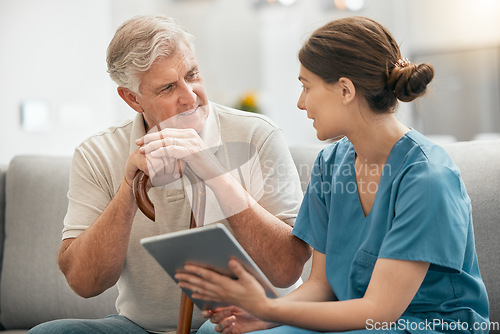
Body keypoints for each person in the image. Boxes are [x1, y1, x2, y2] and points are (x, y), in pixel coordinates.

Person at [175, 16, 490, 334]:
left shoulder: (427, 178)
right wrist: (265, 317)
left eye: (306, 86)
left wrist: (266, 306)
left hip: (420, 325)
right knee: (211, 332)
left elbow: (379, 311)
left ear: (344, 90)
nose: (301, 103)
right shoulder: (330, 164)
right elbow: (321, 287)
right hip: (355, 320)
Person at [28, 15, 311, 334]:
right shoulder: (97, 153)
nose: (190, 96)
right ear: (132, 98)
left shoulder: (258, 135)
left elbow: (287, 269)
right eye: (167, 88)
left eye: (192, 75)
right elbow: (84, 282)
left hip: (250, 321)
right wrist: (128, 190)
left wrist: (214, 173)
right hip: (142, 327)